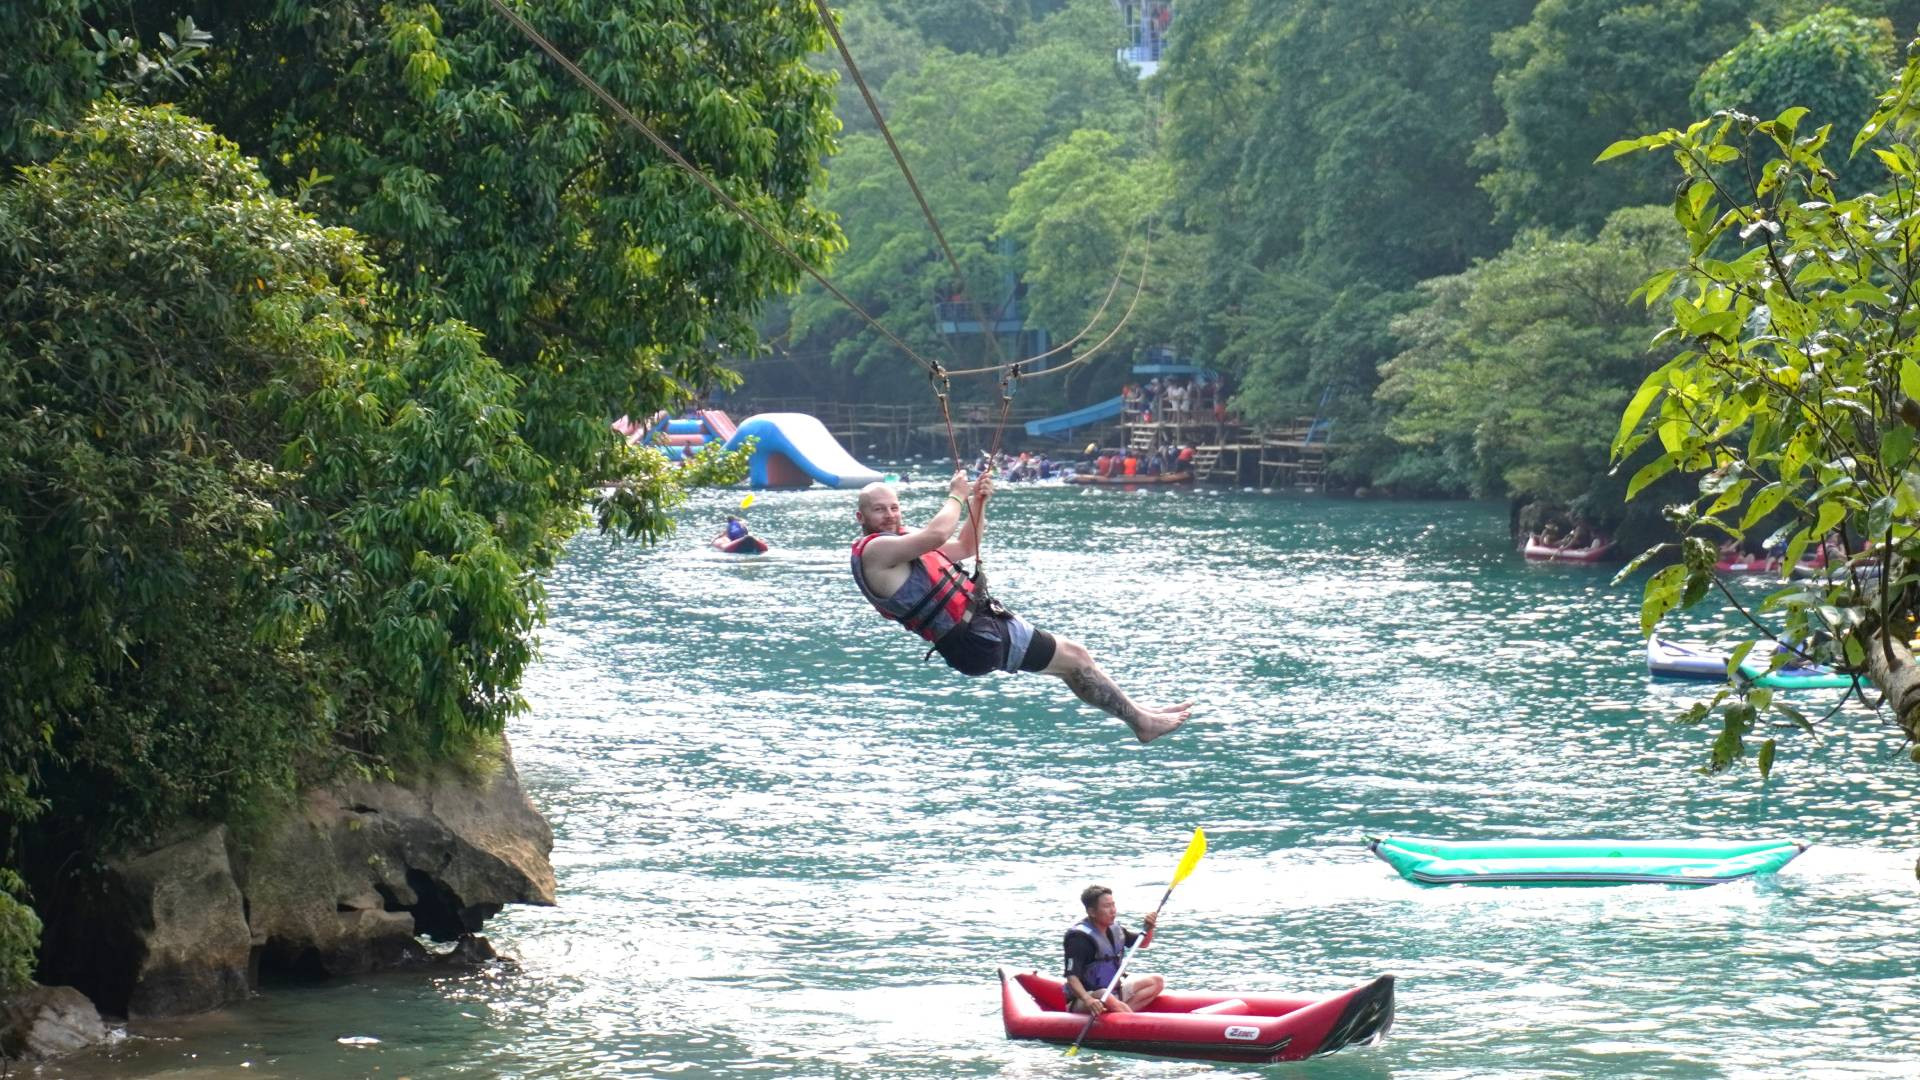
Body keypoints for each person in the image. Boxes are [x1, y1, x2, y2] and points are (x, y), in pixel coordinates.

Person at [850, 473, 1189, 743]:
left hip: (980, 631)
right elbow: (938, 534)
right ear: (860, 516)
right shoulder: (875, 554)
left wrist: (978, 503)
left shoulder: (901, 547)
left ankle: (1142, 714)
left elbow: (967, 546)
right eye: (879, 509)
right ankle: (1142, 722)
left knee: (1073, 660)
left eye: (894, 507)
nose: (890, 515)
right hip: (974, 639)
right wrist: (958, 494)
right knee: (1075, 659)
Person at [1063, 885, 1164, 1015]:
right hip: (1087, 999)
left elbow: (1143, 943)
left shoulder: (1116, 930)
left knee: (1157, 981)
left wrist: (1149, 928)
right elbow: (1072, 978)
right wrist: (1088, 1000)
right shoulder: (1078, 939)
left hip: (1114, 992)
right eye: (1106, 906)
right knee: (1102, 993)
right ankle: (1129, 1019)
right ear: (1092, 912)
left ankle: (1120, 1014)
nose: (1113, 911)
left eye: (1113, 905)